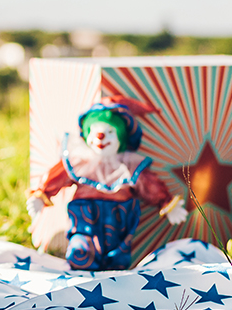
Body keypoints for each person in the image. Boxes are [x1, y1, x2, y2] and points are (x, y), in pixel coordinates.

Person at [26, 99, 188, 270]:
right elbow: (57, 176)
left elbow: (150, 186)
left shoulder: (128, 166)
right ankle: (80, 272)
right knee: (80, 251)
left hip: (119, 220)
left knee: (117, 258)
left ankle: (114, 282)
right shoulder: (80, 162)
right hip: (85, 218)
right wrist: (41, 194)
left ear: (121, 136)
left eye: (110, 131)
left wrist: (167, 203)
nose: (101, 137)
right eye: (94, 132)